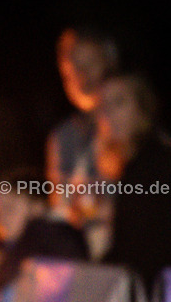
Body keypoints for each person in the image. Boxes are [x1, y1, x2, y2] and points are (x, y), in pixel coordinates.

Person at [95, 72, 171, 284]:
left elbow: (138, 252)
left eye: (119, 103)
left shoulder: (152, 165)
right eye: (104, 106)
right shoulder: (142, 160)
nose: (109, 114)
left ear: (142, 107)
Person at [45, 26, 120, 227]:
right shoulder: (64, 136)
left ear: (110, 63)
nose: (82, 75)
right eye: (72, 68)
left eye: (90, 64)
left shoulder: (133, 126)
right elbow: (60, 208)